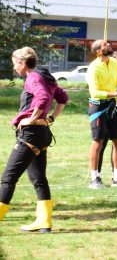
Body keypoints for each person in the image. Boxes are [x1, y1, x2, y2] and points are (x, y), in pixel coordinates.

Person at [0, 47, 68, 233]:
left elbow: (44, 97)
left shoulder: (33, 78)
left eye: (15, 64)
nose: (14, 68)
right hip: (42, 134)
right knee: (38, 179)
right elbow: (63, 97)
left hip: (30, 134)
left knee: (8, 178)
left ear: (23, 63)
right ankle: (44, 222)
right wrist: (50, 118)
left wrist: (31, 119)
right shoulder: (45, 77)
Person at [86, 39, 117, 189]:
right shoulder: (94, 68)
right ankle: (94, 178)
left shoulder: (114, 63)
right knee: (97, 142)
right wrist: (116, 93)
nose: (109, 45)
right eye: (105, 44)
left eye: (108, 43)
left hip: (112, 107)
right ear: (98, 51)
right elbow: (95, 93)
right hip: (98, 108)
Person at [96, 51, 117, 176]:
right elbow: (109, 90)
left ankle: (116, 175)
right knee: (102, 143)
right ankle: (97, 174)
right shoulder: (111, 74)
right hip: (108, 111)